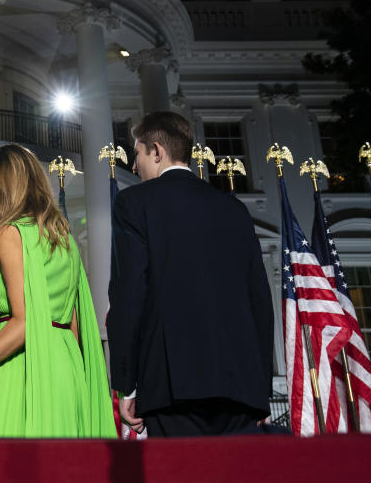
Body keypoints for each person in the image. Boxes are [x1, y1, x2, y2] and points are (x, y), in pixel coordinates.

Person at [0, 144, 117, 437]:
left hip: (24, 366)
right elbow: (75, 324)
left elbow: (24, 322)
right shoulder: (62, 235)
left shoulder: (8, 233)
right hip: (66, 364)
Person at [107, 111, 273, 437]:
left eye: (137, 153)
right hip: (240, 386)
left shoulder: (134, 203)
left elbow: (129, 294)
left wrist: (127, 384)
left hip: (171, 385)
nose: (133, 165)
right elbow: (259, 299)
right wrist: (259, 387)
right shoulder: (233, 207)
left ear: (157, 151)